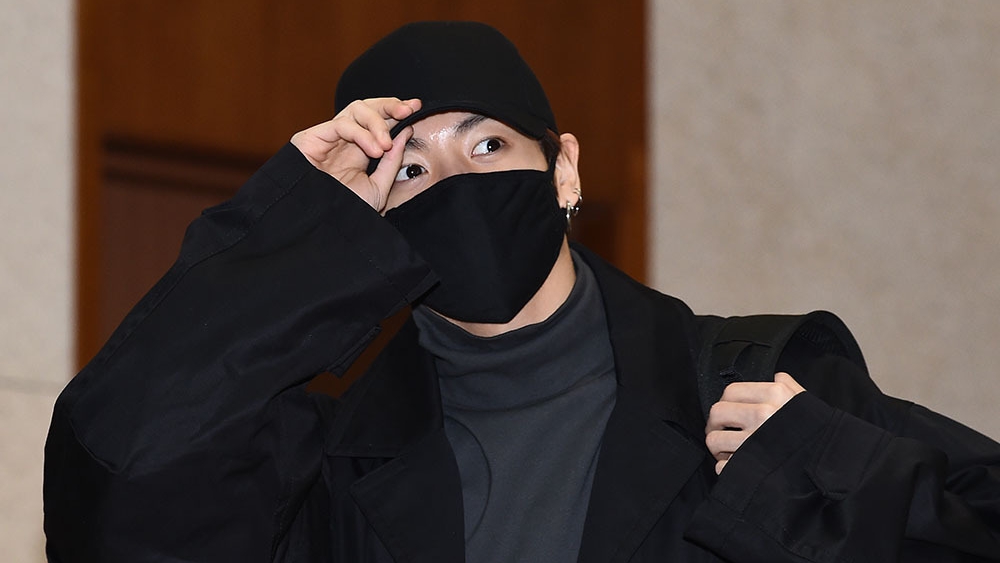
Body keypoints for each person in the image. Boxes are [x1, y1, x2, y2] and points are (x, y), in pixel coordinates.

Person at [44, 20, 1000, 563]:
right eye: (409, 170)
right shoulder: (324, 467)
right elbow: (120, 499)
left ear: (564, 167)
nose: (454, 181)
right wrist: (288, 238)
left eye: (488, 144)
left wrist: (831, 474)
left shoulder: (756, 386)